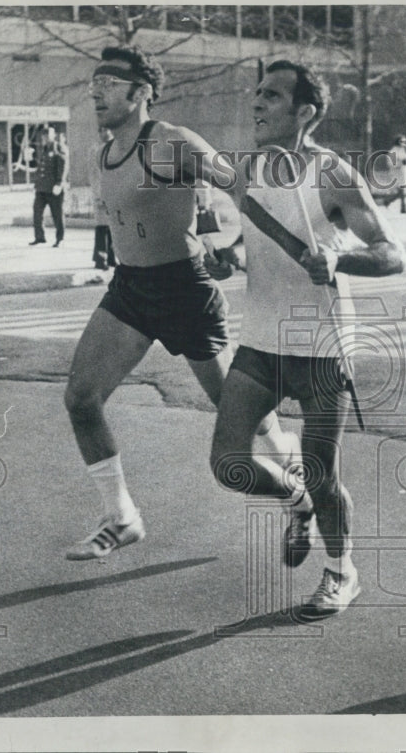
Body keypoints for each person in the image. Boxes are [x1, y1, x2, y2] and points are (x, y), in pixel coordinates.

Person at [63, 45, 298, 561]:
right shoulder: (99, 156)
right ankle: (122, 517)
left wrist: (232, 250)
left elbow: (241, 192)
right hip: (130, 290)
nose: (95, 92)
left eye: (108, 83)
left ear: (141, 92)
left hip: (186, 293)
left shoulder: (168, 143)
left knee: (241, 416)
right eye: (93, 84)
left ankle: (293, 481)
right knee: (81, 400)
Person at [205, 60, 406, 619]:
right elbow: (258, 247)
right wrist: (232, 259)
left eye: (272, 96)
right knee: (228, 463)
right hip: (262, 340)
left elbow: (394, 255)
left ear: (304, 113)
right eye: (258, 93)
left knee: (324, 472)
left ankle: (343, 572)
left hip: (320, 345)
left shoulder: (334, 175)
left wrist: (340, 257)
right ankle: (296, 502)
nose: (257, 103)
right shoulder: (249, 171)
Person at [30, 125, 68, 246]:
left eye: (48, 135)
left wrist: (59, 183)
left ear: (53, 135)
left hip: (53, 188)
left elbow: (63, 166)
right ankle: (39, 237)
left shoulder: (58, 147)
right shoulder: (44, 149)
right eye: (44, 135)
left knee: (57, 214)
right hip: (41, 188)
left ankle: (60, 239)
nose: (45, 138)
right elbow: (41, 168)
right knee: (37, 212)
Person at [90, 127, 116, 270]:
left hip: (114, 193)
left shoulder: (116, 147)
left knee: (113, 227)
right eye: (101, 130)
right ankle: (100, 259)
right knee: (102, 228)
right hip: (102, 194)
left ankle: (112, 258)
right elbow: (95, 176)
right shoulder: (96, 150)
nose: (105, 133)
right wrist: (99, 196)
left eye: (107, 130)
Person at [383, 134, 406, 214]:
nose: (405, 143)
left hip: (403, 172)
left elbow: (405, 160)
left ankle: (389, 201)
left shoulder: (402, 150)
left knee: (403, 191)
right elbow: (390, 164)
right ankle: (402, 207)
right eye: (403, 141)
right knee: (402, 191)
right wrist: (400, 163)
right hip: (396, 174)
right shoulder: (393, 151)